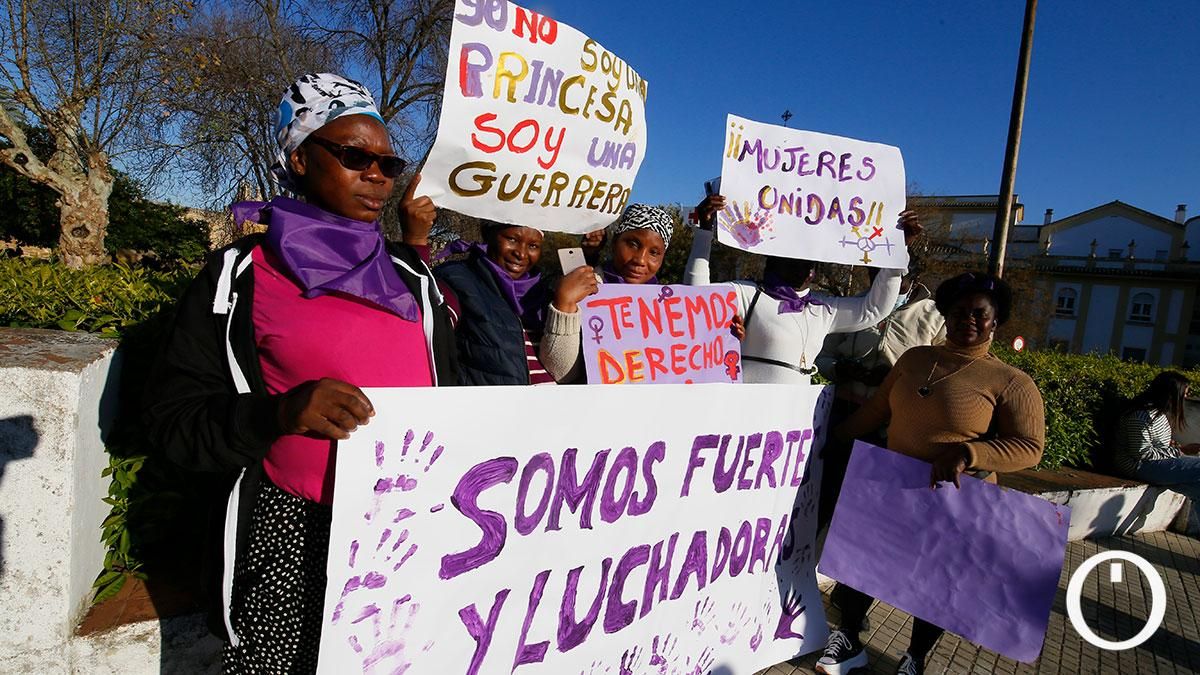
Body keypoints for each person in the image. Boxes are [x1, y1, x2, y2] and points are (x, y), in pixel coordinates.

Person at [143, 73, 458, 673]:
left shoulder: (415, 278)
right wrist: (280, 413)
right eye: (355, 156)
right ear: (299, 159)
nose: (378, 175)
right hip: (291, 532)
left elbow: (457, 395)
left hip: (407, 535)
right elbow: (172, 419)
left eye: (388, 163)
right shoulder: (239, 273)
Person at [821, 271, 1045, 675]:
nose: (969, 320)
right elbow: (876, 412)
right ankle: (850, 639)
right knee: (864, 564)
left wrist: (970, 452)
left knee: (936, 583)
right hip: (893, 483)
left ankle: (915, 659)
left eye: (980, 313)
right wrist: (831, 438)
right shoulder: (915, 359)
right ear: (944, 315)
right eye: (958, 312)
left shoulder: (1011, 382)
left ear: (997, 320)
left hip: (955, 496)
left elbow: (1029, 448)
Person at [684, 195, 923, 385]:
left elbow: (875, 309)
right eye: (796, 257)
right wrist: (704, 233)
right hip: (746, 418)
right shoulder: (749, 294)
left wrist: (896, 253)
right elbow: (695, 300)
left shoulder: (822, 309)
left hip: (794, 426)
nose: (807, 265)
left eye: (812, 259)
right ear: (773, 258)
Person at [814, 262, 945, 530]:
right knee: (823, 495)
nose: (882, 279)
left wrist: (902, 383)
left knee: (868, 509)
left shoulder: (935, 317)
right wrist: (840, 369)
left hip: (892, 429)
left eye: (893, 272)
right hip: (843, 418)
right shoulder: (852, 306)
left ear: (913, 274)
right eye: (875, 272)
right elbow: (822, 356)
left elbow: (945, 376)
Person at [539, 203, 684, 382]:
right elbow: (560, 372)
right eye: (633, 244)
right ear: (615, 242)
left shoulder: (670, 307)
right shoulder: (582, 290)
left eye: (654, 252)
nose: (640, 259)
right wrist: (565, 306)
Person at [434, 221, 559, 385]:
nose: (521, 254)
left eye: (533, 246)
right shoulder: (456, 280)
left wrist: (564, 306)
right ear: (488, 235)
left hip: (553, 407)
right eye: (512, 240)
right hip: (494, 408)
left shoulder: (545, 295)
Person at [1113, 371, 1200, 517]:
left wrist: (1177, 448)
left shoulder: (1157, 413)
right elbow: (1141, 453)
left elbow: (1157, 446)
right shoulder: (1141, 416)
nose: (1186, 398)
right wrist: (1179, 451)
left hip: (1154, 463)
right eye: (1183, 395)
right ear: (1171, 395)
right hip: (1138, 466)